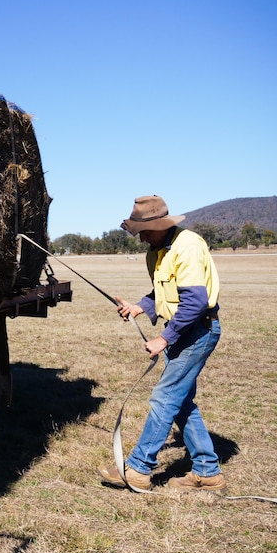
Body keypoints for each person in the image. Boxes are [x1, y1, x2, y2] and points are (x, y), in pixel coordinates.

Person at [97, 195, 226, 492]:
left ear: (159, 225)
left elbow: (195, 301)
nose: (140, 238)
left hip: (197, 331)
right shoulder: (156, 251)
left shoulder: (188, 246)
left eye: (143, 231)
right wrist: (139, 307)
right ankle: (208, 472)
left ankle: (139, 469)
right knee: (180, 403)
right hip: (184, 330)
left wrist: (164, 338)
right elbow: (163, 291)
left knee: (164, 397)